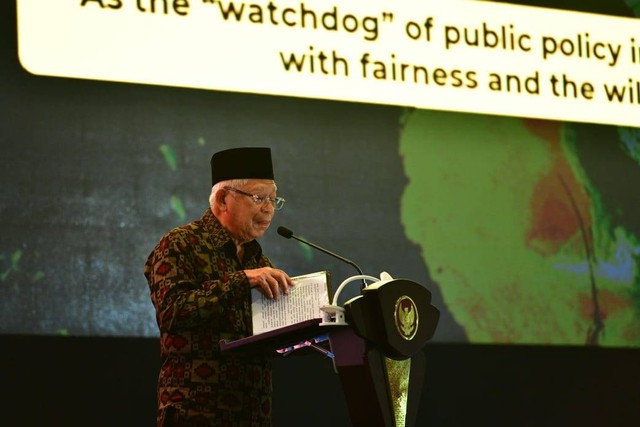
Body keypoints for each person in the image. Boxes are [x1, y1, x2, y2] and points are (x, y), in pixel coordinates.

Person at [144, 147, 294, 427]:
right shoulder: (180, 244)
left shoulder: (258, 259)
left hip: (253, 413)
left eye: (274, 200)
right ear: (224, 199)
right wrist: (242, 280)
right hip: (197, 412)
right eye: (259, 197)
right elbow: (173, 312)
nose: (269, 209)